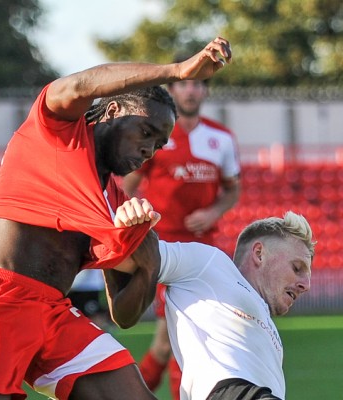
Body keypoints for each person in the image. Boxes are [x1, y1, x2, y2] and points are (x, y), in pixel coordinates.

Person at [0, 37, 233, 400]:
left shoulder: (118, 204)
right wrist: (177, 71)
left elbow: (123, 314)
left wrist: (145, 247)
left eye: (158, 145)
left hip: (56, 314)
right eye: (146, 133)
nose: (149, 150)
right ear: (111, 113)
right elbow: (81, 84)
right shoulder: (55, 130)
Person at [123, 53, 241, 398]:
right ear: (172, 90)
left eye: (197, 84)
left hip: (205, 250)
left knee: (177, 339)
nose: (190, 91)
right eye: (184, 83)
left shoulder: (221, 138)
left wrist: (213, 212)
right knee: (173, 336)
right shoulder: (155, 135)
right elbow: (125, 186)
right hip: (162, 249)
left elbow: (233, 190)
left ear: (205, 91)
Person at [122, 210, 315, 400]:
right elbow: (134, 255)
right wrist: (125, 224)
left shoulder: (267, 327)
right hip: (231, 391)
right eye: (297, 268)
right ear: (259, 254)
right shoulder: (211, 264)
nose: (306, 285)